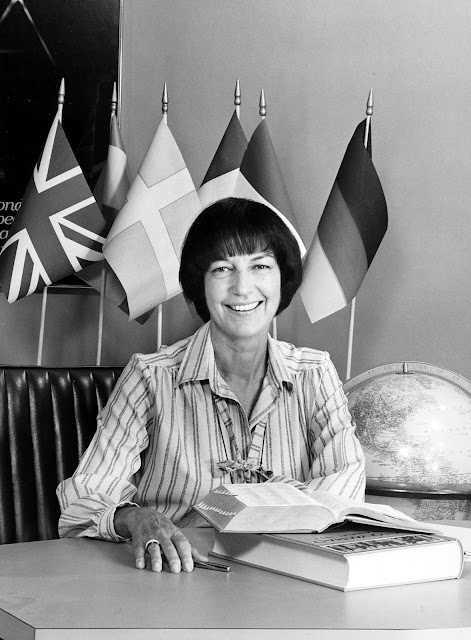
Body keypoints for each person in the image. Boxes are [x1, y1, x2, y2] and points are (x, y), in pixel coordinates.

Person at [57, 197, 365, 574]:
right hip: (177, 572)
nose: (242, 288)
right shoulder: (150, 376)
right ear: (199, 284)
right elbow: (85, 497)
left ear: (282, 279)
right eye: (222, 269)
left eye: (260, 266)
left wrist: (273, 517)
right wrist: (136, 518)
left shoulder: (314, 373)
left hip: (284, 572)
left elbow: (344, 485)